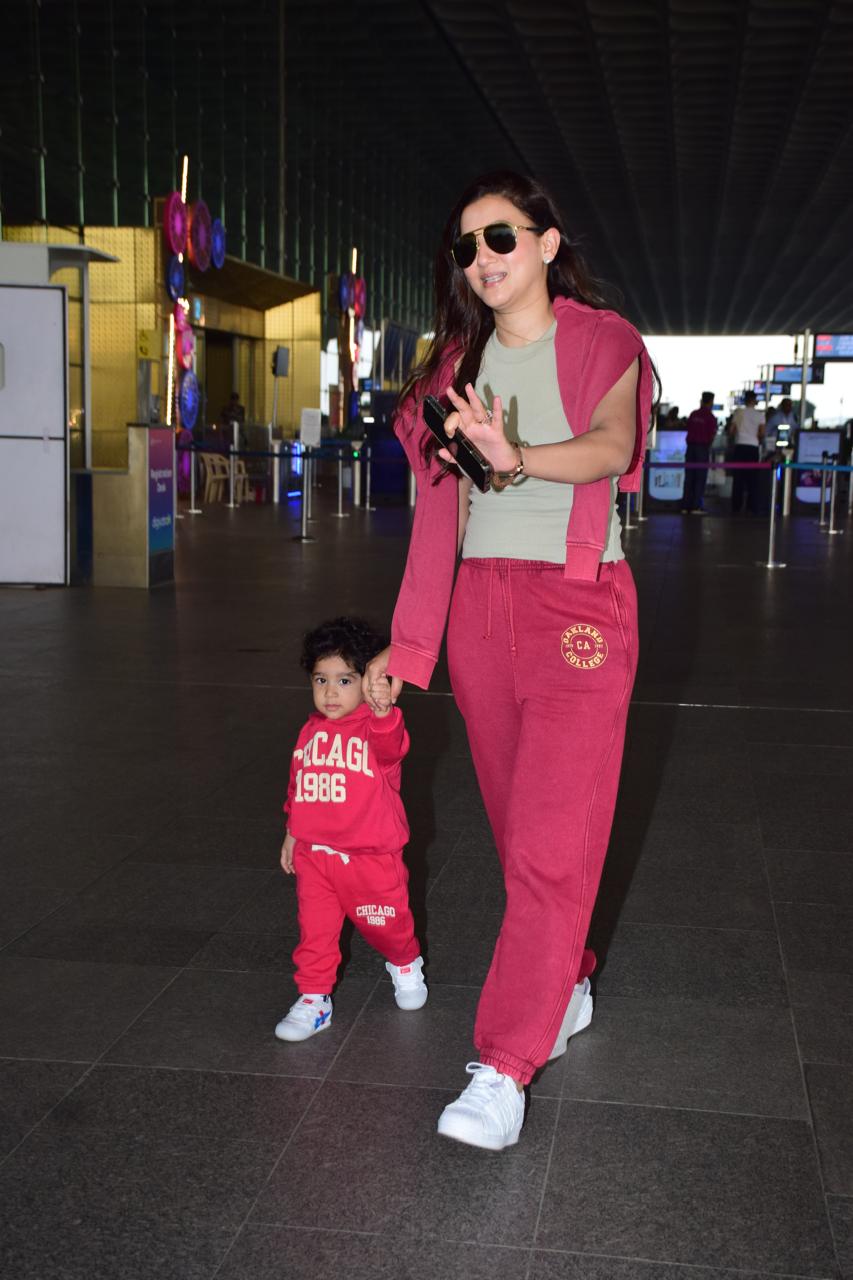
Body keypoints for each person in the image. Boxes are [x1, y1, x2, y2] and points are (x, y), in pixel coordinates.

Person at [364, 171, 655, 1150]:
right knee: (518, 830)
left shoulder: (602, 339)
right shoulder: (456, 362)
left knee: (546, 841)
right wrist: (408, 646)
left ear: (544, 241)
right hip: (479, 610)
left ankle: (502, 1065)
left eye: (499, 237)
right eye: (466, 248)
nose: (482, 259)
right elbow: (436, 516)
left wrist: (519, 455)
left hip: (577, 605)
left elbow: (614, 447)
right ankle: (567, 974)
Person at [275, 617, 427, 1043]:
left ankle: (404, 960)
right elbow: (299, 783)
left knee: (387, 927)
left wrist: (384, 712)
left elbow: (393, 745)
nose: (329, 691)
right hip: (316, 855)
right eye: (320, 679)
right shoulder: (309, 732)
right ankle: (313, 998)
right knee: (315, 931)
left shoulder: (376, 728)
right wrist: (293, 830)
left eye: (344, 680)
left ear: (367, 681)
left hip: (370, 859)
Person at [728, 389, 765, 514]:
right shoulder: (760, 415)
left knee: (738, 479)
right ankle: (751, 506)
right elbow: (762, 433)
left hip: (740, 446)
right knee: (752, 480)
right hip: (752, 447)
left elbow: (731, 431)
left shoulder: (738, 412)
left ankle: (736, 506)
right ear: (754, 400)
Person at [681, 391, 718, 514]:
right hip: (702, 448)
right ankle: (696, 506)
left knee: (689, 477)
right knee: (700, 478)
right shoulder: (711, 417)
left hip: (690, 448)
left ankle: (685, 506)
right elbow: (712, 435)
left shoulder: (693, 414)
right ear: (711, 401)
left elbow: (688, 428)